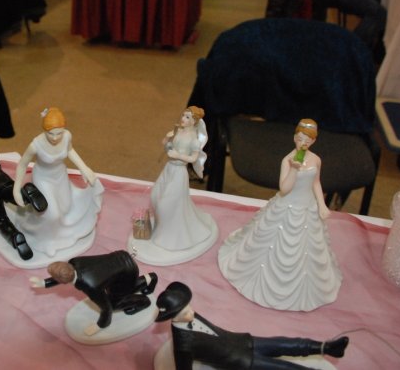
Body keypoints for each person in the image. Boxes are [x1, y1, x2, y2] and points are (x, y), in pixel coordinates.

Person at [218, 119, 342, 311]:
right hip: (287, 205)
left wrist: (322, 204)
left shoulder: (316, 160)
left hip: (307, 207)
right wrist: (294, 169)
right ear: (294, 138)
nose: (303, 143)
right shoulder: (287, 160)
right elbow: (284, 189)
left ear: (313, 141)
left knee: (308, 246)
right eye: (300, 139)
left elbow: (316, 183)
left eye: (307, 140)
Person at [155, 282, 350, 370]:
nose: (190, 313)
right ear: (173, 317)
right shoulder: (182, 345)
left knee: (283, 343)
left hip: (242, 340)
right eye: (184, 313)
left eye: (188, 307)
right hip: (239, 361)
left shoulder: (189, 316)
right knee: (282, 367)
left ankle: (326, 347)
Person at [12, 107, 104, 257]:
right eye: (51, 133)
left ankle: (58, 233)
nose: (55, 138)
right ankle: (47, 240)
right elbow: (22, 164)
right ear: (44, 130)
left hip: (60, 175)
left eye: (59, 133)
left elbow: (70, 151)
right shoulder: (36, 145)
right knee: (52, 214)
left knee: (66, 209)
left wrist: (84, 168)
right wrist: (16, 189)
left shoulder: (67, 136)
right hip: (43, 178)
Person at [30, 250, 158, 336]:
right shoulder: (73, 262)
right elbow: (63, 273)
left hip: (126, 271)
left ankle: (143, 302)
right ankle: (151, 278)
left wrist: (100, 325)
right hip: (122, 258)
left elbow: (106, 308)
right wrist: (45, 283)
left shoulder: (91, 286)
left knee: (114, 303)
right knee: (122, 288)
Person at [149, 106, 215, 252]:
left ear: (194, 121)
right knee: (155, 196)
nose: (183, 119)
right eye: (183, 115)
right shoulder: (178, 131)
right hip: (169, 168)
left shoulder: (194, 141)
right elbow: (168, 148)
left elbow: (193, 158)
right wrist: (167, 140)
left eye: (187, 117)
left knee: (165, 204)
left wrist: (178, 155)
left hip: (179, 172)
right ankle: (164, 228)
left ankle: (171, 236)